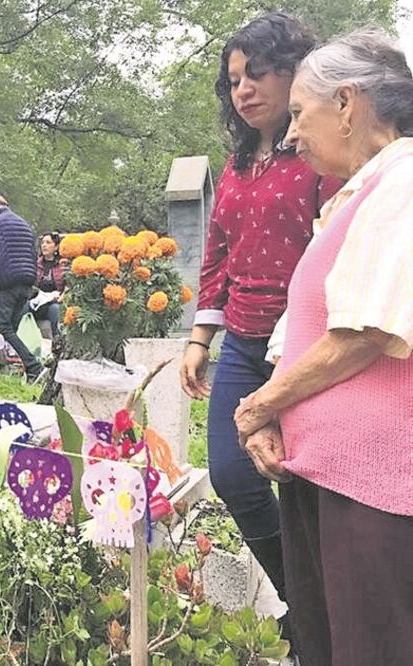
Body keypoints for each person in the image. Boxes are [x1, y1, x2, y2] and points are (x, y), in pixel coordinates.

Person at [234, 30, 413, 665]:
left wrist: (258, 407)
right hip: (327, 468)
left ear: (346, 104)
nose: (290, 136)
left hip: (371, 479)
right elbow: (309, 324)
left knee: (372, 649)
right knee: (330, 645)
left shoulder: (403, 184)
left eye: (299, 114)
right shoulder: (362, 193)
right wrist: (276, 412)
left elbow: (364, 333)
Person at [177, 13, 340, 640]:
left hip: (307, 348)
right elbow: (218, 252)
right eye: (234, 80)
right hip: (243, 345)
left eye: (258, 74)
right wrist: (200, 337)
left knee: (301, 485)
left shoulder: (321, 158)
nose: (244, 90)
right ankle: (302, 604)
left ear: (296, 73)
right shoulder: (238, 164)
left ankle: (325, 621)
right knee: (231, 473)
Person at [0, 195, 42, 381]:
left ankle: (34, 366)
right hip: (26, 282)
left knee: (1, 327)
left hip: (6, 283)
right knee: (9, 329)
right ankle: (10, 372)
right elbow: (33, 253)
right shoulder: (23, 223)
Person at [33, 232, 65, 338]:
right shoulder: (35, 264)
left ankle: (57, 339)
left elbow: (68, 286)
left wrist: (61, 296)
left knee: (55, 309)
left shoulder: (62, 265)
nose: (44, 245)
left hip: (54, 302)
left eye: (48, 242)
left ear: (56, 247)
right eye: (42, 243)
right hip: (37, 301)